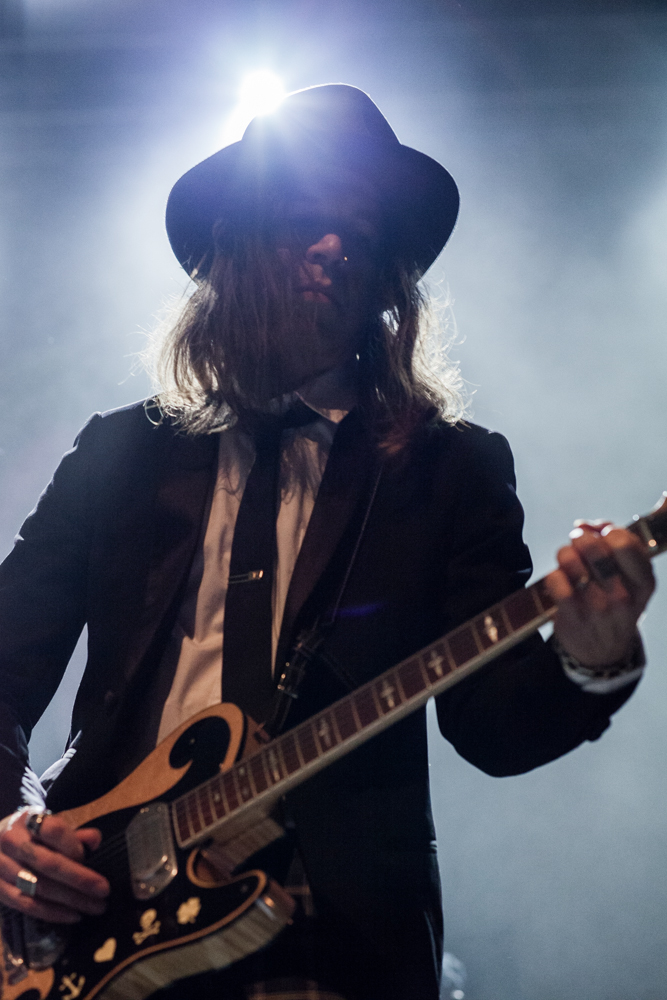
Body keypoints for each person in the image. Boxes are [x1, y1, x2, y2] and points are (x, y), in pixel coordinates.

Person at [0, 84, 655, 1000]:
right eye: (302, 219)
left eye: (361, 232)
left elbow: (493, 730)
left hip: (332, 938)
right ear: (232, 244)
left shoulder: (448, 470)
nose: (334, 246)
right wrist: (11, 822)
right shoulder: (123, 452)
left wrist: (590, 656)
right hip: (94, 916)